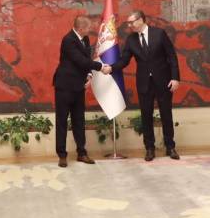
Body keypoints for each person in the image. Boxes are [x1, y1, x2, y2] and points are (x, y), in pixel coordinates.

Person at [111, 10, 180, 161]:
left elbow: (171, 56)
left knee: (166, 114)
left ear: (141, 20)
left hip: (163, 81)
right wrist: (111, 68)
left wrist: (175, 78)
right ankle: (149, 148)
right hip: (144, 83)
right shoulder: (131, 39)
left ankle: (170, 147)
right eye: (128, 23)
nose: (129, 25)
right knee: (146, 115)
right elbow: (124, 60)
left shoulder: (159, 34)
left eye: (132, 22)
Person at [53, 15, 111, 168]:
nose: (90, 30)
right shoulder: (68, 40)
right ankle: (62, 155)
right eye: (88, 28)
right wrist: (100, 67)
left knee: (79, 120)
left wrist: (89, 75)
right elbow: (80, 60)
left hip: (79, 86)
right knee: (62, 121)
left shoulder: (84, 39)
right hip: (65, 86)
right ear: (80, 28)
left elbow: (87, 59)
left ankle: (82, 153)